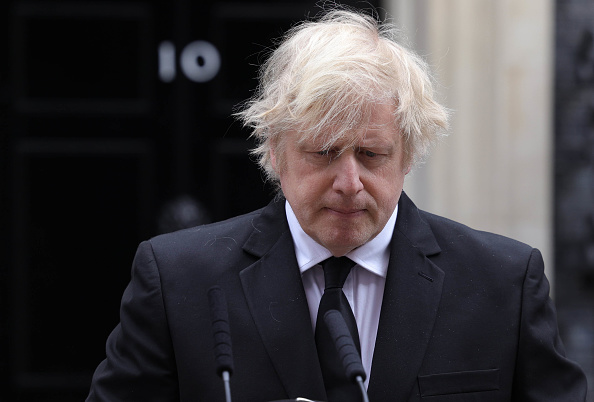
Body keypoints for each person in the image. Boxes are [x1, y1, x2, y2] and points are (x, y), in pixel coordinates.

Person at [86, 8, 588, 402]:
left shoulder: (504, 281)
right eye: (324, 153)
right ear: (275, 151)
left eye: (371, 155)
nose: (350, 182)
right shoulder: (177, 281)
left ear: (408, 155)